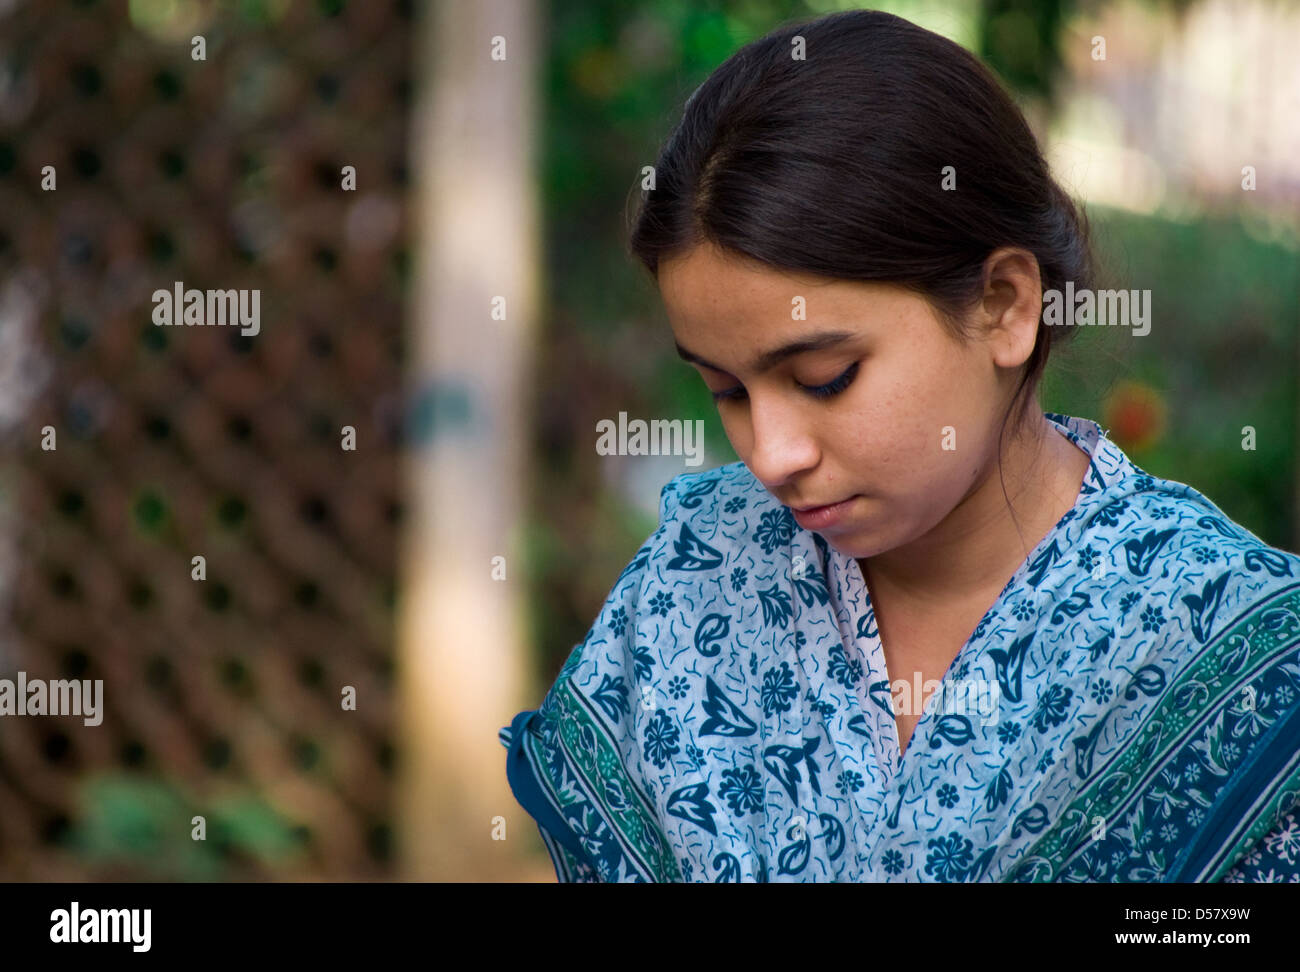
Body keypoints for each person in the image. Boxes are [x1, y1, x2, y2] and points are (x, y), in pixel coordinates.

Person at [499, 8, 1300, 882]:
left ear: (1003, 306)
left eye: (825, 376)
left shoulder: (1226, 640)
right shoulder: (693, 586)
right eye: (725, 390)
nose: (771, 455)